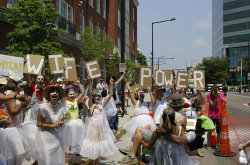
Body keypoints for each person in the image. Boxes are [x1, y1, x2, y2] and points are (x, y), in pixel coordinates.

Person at [80, 77, 118, 165]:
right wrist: (90, 83)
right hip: (93, 129)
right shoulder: (91, 106)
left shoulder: (102, 105)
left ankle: (96, 163)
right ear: (93, 99)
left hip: (101, 129)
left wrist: (111, 85)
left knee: (98, 148)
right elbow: (89, 93)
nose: (98, 98)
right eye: (96, 97)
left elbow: (110, 95)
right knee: (94, 148)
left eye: (99, 97)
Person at [36, 85, 67, 165]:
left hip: (57, 137)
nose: (55, 93)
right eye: (53, 92)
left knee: (58, 159)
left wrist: (61, 123)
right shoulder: (42, 107)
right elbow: (38, 123)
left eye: (57, 92)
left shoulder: (62, 106)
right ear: (49, 95)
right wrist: (52, 125)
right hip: (46, 138)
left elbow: (61, 121)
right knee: (48, 160)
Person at [63, 80, 85, 165]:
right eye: (70, 94)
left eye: (73, 94)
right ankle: (66, 161)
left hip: (76, 125)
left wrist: (79, 84)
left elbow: (82, 92)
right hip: (68, 125)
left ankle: (74, 160)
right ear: (66, 95)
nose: (72, 96)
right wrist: (65, 84)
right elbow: (61, 94)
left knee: (74, 143)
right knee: (67, 143)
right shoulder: (64, 102)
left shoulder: (75, 101)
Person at [206, 84, 226, 151]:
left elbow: (225, 102)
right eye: (213, 90)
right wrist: (216, 97)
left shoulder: (221, 94)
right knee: (210, 130)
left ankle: (218, 144)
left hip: (219, 115)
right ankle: (209, 144)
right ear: (211, 90)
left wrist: (219, 95)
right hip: (211, 115)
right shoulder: (209, 95)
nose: (214, 92)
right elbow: (213, 105)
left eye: (215, 90)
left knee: (218, 131)